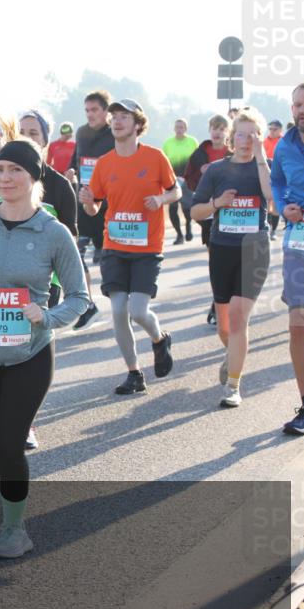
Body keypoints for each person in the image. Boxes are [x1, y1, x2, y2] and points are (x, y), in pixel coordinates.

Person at [0, 139, 89, 558]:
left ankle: (15, 530)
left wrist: (44, 317)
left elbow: (80, 299)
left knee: (10, 443)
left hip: (30, 355)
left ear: (34, 178)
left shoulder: (54, 233)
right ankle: (7, 479)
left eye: (15, 170)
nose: (5, 178)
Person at [0, 111, 77, 453]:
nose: (28, 137)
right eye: (23, 132)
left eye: (35, 133)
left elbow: (69, 241)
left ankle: (23, 421)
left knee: (26, 349)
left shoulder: (59, 187)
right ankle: (1, 424)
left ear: (45, 140)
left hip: (40, 282)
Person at [78, 99, 179, 395]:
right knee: (119, 310)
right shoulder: (104, 163)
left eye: (124, 117)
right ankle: (134, 373)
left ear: (137, 125)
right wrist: (87, 202)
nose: (117, 121)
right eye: (114, 117)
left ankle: (160, 339)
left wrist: (161, 200)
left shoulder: (155, 157)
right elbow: (94, 209)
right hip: (115, 246)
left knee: (138, 311)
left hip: (147, 248)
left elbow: (176, 191)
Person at [189, 108, 274, 407]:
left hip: (255, 249)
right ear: (231, 136)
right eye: (241, 133)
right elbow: (195, 211)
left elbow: (272, 200)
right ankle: (232, 354)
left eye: (253, 135)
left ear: (259, 138)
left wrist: (262, 155)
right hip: (222, 249)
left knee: (239, 317)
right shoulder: (216, 171)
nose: (246, 140)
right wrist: (217, 203)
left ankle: (233, 386)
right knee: (225, 326)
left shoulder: (266, 166)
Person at [272, 81, 304, 436]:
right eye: (298, 104)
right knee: (299, 325)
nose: (303, 110)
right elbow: (277, 185)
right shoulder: (284, 147)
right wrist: (287, 209)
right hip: (300, 244)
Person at [65, 90, 116, 330]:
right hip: (84, 201)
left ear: (106, 111)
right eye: (87, 110)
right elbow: (77, 160)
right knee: (76, 254)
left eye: (95, 110)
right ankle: (88, 306)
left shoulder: (115, 134)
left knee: (110, 261)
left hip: (110, 205)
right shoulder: (82, 133)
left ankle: (121, 304)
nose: (90, 115)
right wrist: (72, 172)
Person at [185, 114, 231, 325]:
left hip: (231, 214)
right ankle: (218, 306)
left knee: (230, 264)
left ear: (227, 132)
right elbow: (189, 179)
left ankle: (225, 306)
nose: (217, 131)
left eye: (221, 128)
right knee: (216, 262)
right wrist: (202, 177)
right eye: (214, 127)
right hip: (208, 213)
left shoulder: (233, 153)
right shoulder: (200, 153)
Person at [161, 118, 199, 244]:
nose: (179, 129)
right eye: (177, 127)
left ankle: (188, 225)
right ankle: (179, 235)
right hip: (172, 180)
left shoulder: (192, 142)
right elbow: (163, 162)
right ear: (174, 128)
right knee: (172, 208)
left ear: (186, 129)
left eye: (182, 127)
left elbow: (197, 160)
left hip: (187, 180)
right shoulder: (168, 143)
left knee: (187, 208)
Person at [266, 120, 284, 240]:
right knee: (268, 203)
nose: (272, 131)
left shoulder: (285, 142)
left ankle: (273, 231)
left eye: (274, 129)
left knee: (276, 205)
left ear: (280, 130)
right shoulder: (264, 142)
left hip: (280, 176)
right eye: (270, 128)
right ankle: (267, 227)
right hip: (266, 174)